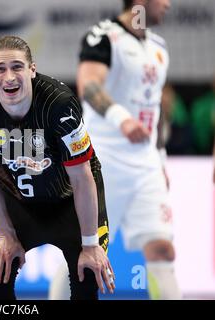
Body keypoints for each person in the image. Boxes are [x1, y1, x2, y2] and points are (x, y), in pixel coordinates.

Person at [0, 35, 115, 300]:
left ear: (32, 70)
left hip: (68, 200)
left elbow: (81, 177)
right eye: (0, 69)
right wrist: (6, 234)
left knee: (88, 274)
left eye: (17, 67)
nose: (9, 77)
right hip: (15, 199)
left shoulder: (60, 104)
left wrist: (90, 245)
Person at [50, 0, 181, 300]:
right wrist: (121, 119)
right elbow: (89, 85)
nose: (168, 4)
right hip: (103, 163)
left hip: (146, 166)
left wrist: (160, 160)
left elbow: (154, 110)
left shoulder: (158, 47)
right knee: (83, 249)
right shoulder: (104, 36)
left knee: (162, 248)